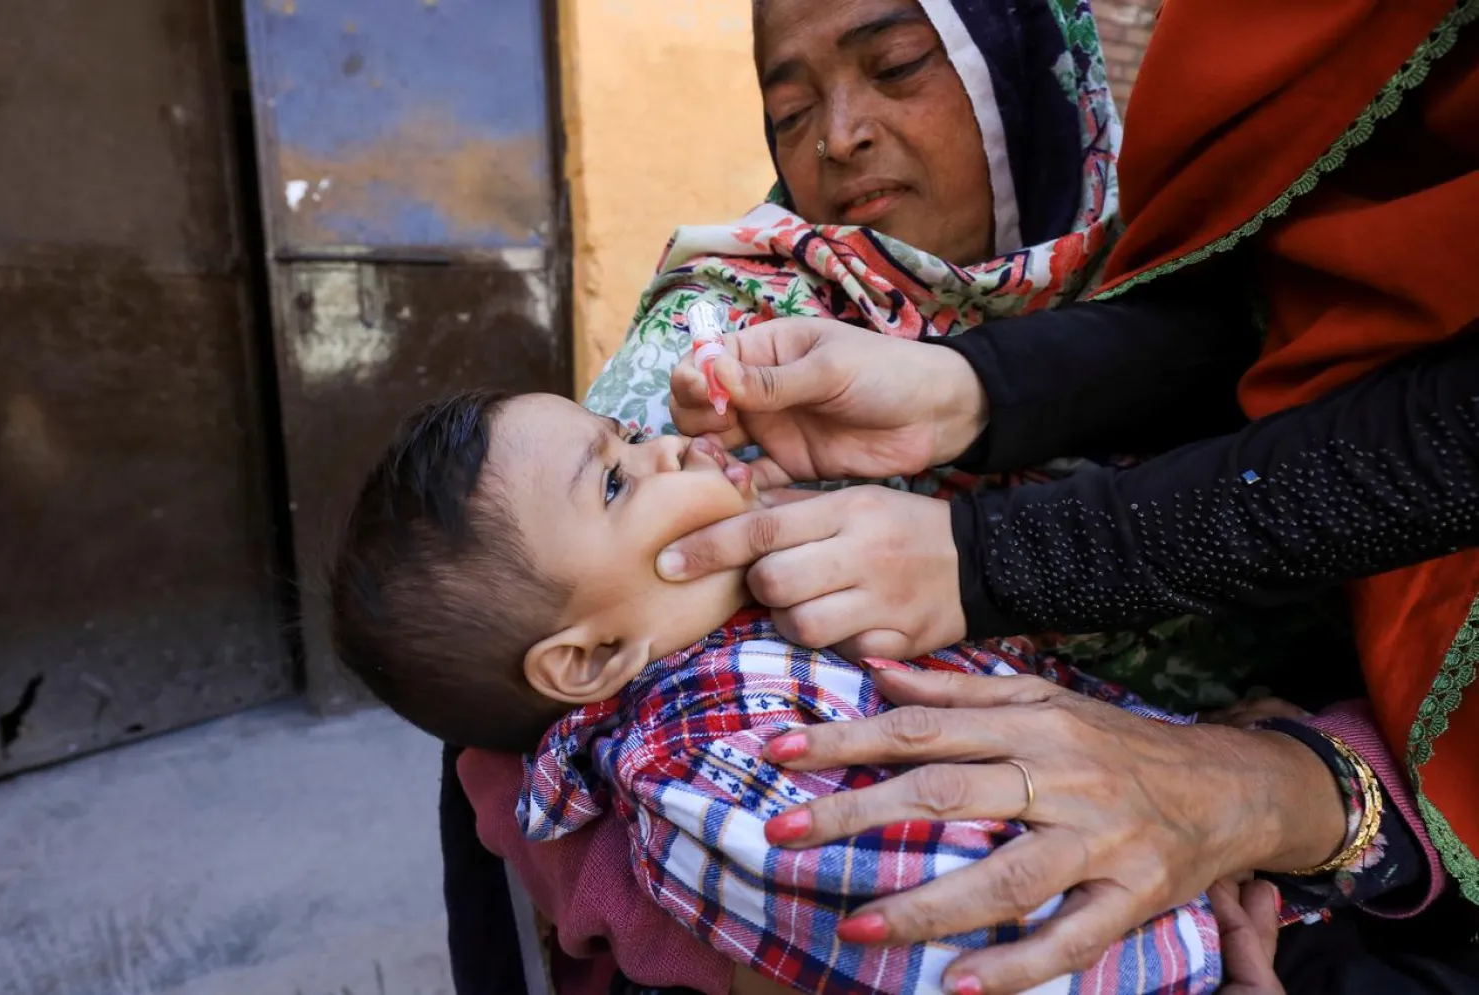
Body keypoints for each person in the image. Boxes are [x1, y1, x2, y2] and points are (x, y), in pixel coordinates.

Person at [441, 1, 1467, 993]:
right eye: (789, 112)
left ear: (1026, 72)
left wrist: (1285, 796)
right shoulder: (738, 355)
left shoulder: (1192, 253)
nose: (838, 138)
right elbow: (514, 664)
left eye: (895, 68)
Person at [334, 388, 1239, 993]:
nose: (673, 450)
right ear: (590, 656)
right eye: (616, 478)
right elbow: (987, 935)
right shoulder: (705, 755)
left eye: (634, 435)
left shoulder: (765, 628)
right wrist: (1225, 869)